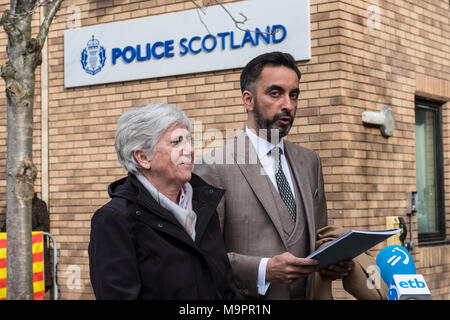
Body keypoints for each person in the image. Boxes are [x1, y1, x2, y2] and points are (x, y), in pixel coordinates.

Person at [194, 51, 387, 299]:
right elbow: (200, 256)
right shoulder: (213, 167)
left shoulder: (309, 161)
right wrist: (263, 270)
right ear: (248, 100)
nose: (288, 105)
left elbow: (318, 237)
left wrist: (334, 261)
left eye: (293, 94)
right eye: (275, 93)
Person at [88, 103, 242, 300]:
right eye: (176, 142)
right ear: (143, 157)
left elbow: (226, 290)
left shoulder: (204, 206)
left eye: (189, 140)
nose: (190, 149)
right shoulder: (114, 220)